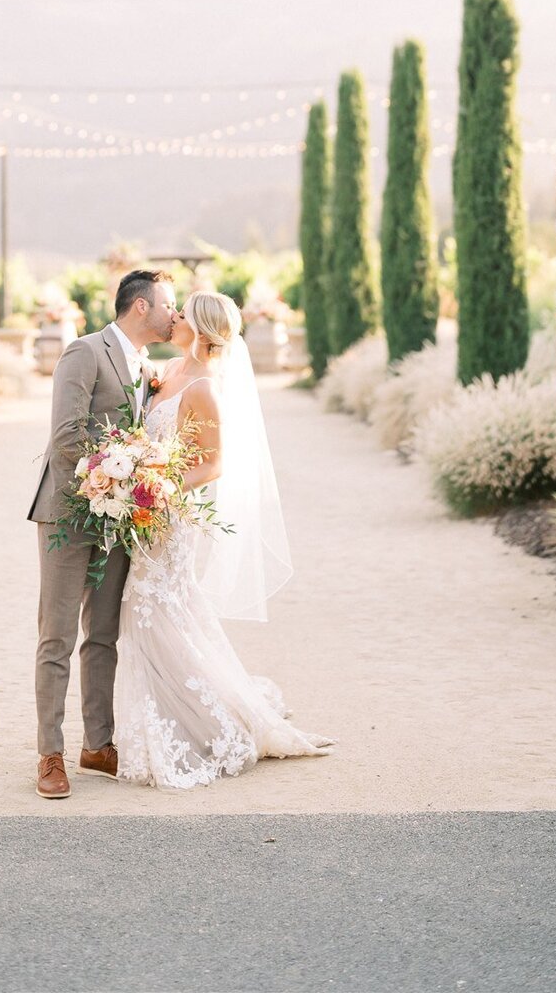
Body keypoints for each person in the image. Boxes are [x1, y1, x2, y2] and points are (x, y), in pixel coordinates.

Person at [113, 288, 332, 789]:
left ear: (200, 328)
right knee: (156, 611)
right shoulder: (167, 372)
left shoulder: (204, 388)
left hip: (169, 515)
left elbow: (212, 463)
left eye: (181, 313)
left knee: (151, 609)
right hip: (144, 509)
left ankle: (208, 722)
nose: (173, 317)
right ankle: (181, 710)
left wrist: (161, 485)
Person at [27, 267, 177, 799]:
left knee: (104, 635)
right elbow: (66, 435)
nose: (173, 315)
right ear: (141, 307)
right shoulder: (84, 352)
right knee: (58, 636)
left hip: (118, 517)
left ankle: (99, 743)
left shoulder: (146, 364)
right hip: (68, 512)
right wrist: (122, 475)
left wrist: (134, 489)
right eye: (168, 305)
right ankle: (50, 754)